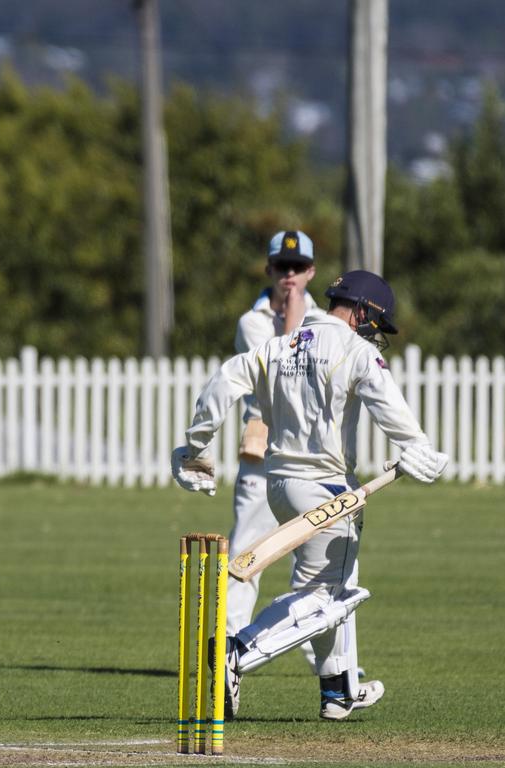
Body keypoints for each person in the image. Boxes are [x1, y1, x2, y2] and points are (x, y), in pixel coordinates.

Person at [172, 270, 448, 721]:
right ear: (361, 312)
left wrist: (195, 448)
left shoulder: (279, 346)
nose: (374, 335)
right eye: (375, 324)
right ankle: (237, 651)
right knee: (325, 596)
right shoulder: (355, 351)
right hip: (326, 486)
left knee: (325, 583)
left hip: (278, 486)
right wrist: (417, 445)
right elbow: (385, 400)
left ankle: (338, 690)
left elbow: (223, 382)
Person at [228, 231, 323, 654]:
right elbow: (282, 371)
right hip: (263, 451)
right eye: (282, 268)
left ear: (311, 271)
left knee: (320, 564)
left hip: (312, 456)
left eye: (298, 267)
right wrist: (292, 316)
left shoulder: (325, 321)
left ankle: (331, 667)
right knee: (247, 557)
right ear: (269, 270)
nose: (289, 276)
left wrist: (303, 314)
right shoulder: (252, 323)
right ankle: (228, 648)